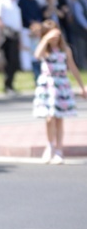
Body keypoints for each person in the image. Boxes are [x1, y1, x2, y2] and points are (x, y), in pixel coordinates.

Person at [33, 20, 87, 164]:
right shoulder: (45, 49)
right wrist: (45, 39)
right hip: (48, 85)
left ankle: (59, 149)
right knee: (49, 117)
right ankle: (49, 146)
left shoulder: (65, 49)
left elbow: (73, 68)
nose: (55, 38)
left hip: (61, 84)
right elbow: (37, 55)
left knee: (58, 118)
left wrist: (82, 87)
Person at [0, 0, 22, 95]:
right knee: (8, 61)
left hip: (14, 34)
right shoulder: (0, 1)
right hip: (6, 35)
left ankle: (10, 84)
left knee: (14, 61)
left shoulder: (13, 2)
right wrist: (4, 30)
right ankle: (7, 85)